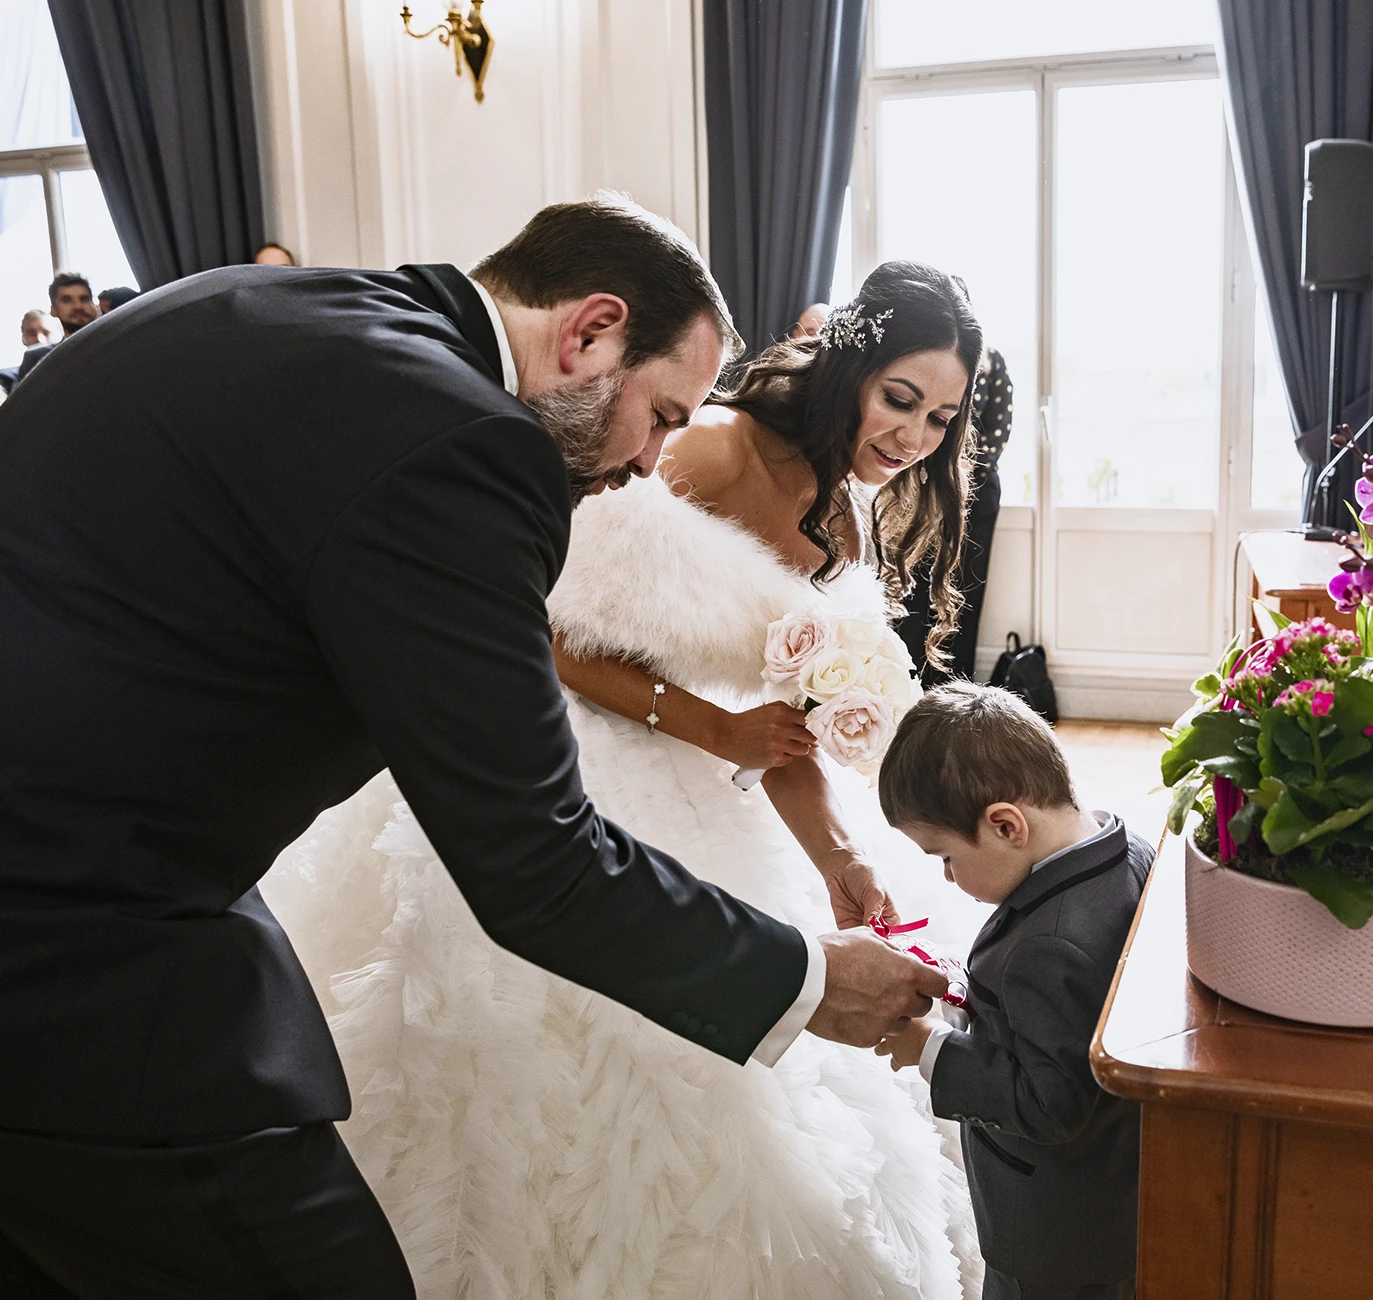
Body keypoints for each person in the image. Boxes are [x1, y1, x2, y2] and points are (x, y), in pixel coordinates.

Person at [0, 193, 945, 1298]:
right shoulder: (469, 445)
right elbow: (537, 864)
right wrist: (807, 979)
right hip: (71, 942)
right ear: (590, 331)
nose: (652, 464)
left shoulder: (269, 302)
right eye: (662, 414)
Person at [261, 261, 989, 1297]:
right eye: (900, 399)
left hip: (713, 769)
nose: (913, 437)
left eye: (940, 418)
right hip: (572, 751)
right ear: (853, 367)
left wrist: (834, 853)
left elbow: (786, 729)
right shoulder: (716, 449)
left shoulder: (848, 520)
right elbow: (541, 623)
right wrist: (705, 723)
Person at [876, 683, 1152, 1300]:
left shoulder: (1047, 948)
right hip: (1114, 1199)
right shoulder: (1125, 851)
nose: (946, 877)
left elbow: (1051, 1102)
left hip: (1055, 1230)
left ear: (1006, 825)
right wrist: (971, 991)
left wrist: (930, 1046)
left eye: (943, 856)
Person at [898, 337, 1013, 683]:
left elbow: (999, 427)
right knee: (913, 587)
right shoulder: (926, 364)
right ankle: (907, 679)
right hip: (921, 486)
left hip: (975, 494)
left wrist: (960, 474)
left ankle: (954, 684)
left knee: (965, 588)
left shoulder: (993, 363)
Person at [14, 272, 96, 385]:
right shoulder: (37, 358)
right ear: (53, 311)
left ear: (94, 307)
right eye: (67, 300)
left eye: (84, 299)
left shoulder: (115, 343)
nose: (78, 306)